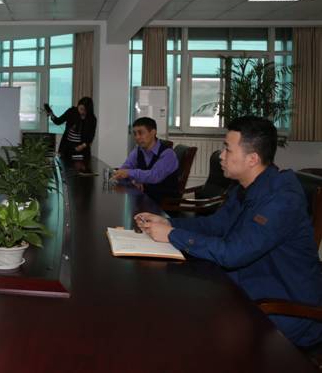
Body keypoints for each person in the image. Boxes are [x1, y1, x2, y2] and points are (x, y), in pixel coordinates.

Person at [135, 116, 322, 348]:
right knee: (172, 306)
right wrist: (169, 223)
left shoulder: (281, 200)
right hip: (247, 288)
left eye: (227, 149)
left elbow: (233, 253)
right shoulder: (245, 187)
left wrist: (171, 235)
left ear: (252, 159)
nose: (221, 156)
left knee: (190, 333)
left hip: (285, 308)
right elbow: (216, 225)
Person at [113, 116, 179, 204]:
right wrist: (134, 180)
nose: (137, 137)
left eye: (141, 133)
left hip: (164, 204)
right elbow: (125, 168)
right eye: (135, 134)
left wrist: (130, 174)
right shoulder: (138, 150)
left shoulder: (168, 154)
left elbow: (154, 176)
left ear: (153, 133)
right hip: (145, 199)